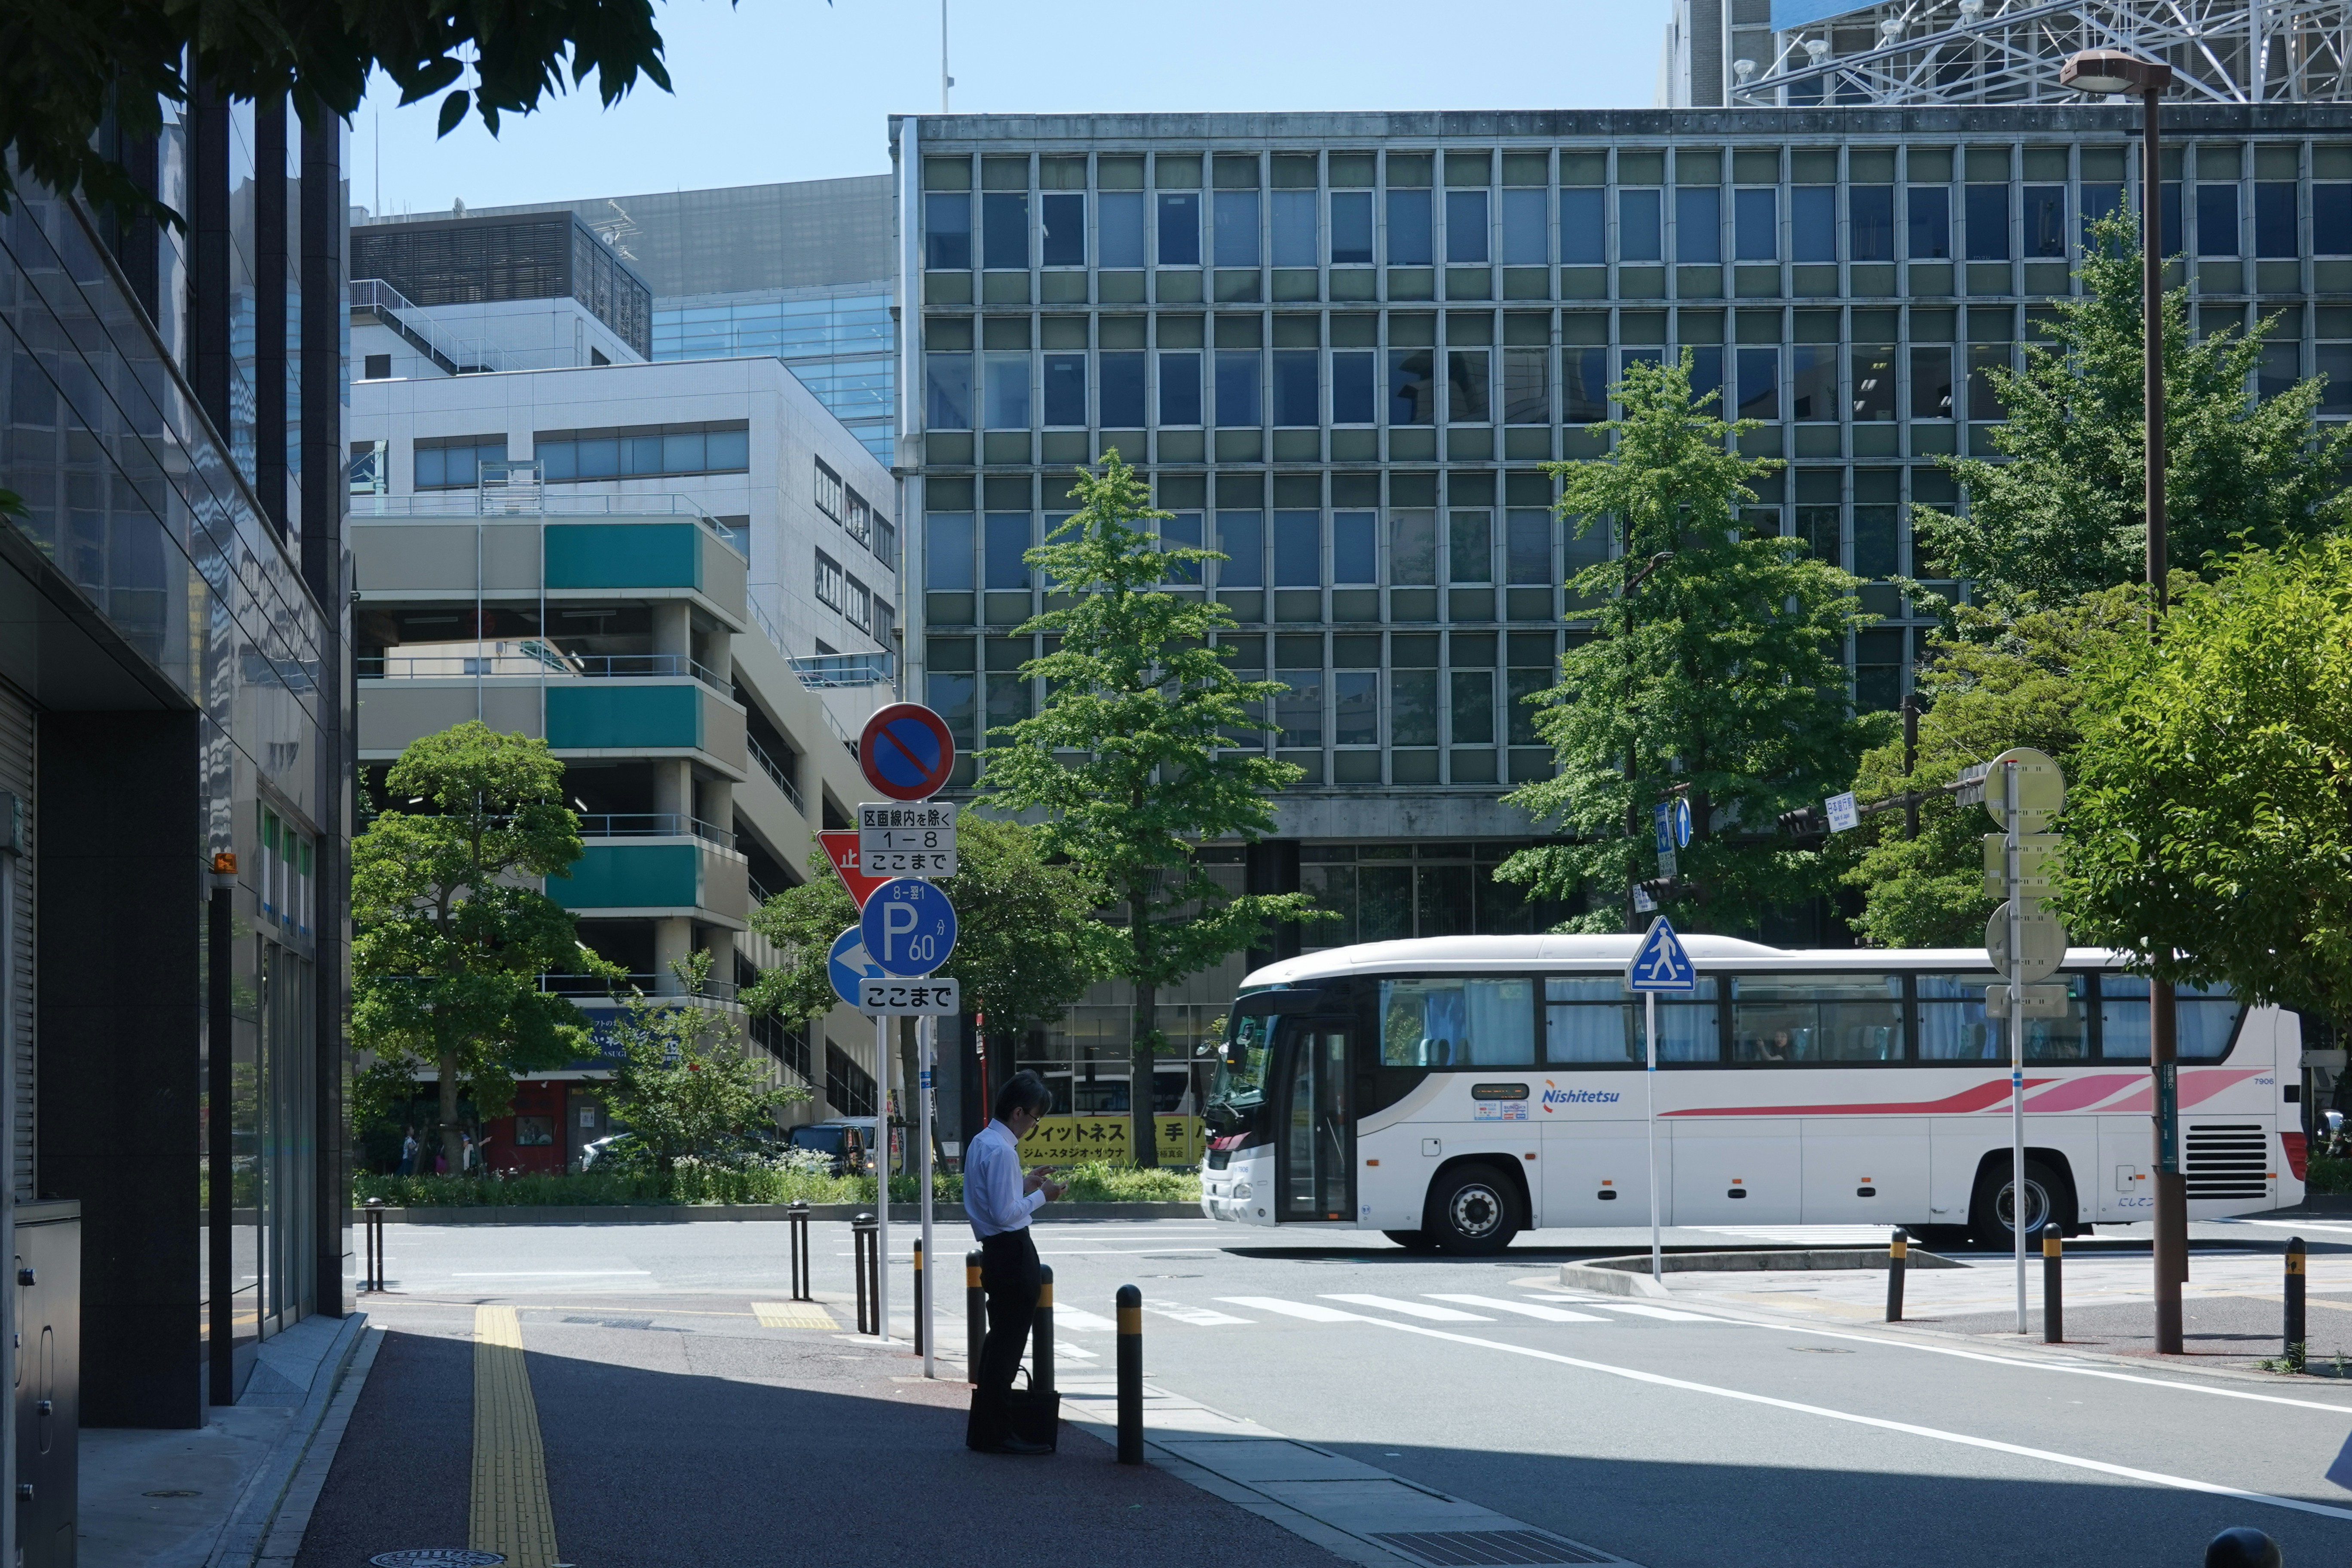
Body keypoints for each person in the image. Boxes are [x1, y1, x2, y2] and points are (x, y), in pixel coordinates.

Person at [964, 1070, 1066, 1455]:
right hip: (1012, 1250)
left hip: (996, 1251)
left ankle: (987, 1429)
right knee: (1007, 1349)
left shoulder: (982, 1142)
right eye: (1036, 1119)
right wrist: (1046, 1196)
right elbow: (1007, 1214)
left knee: (998, 1344)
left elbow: (991, 1199)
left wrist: (1025, 1184)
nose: (1034, 1127)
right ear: (1020, 1112)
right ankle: (997, 1433)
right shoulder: (1003, 1150)